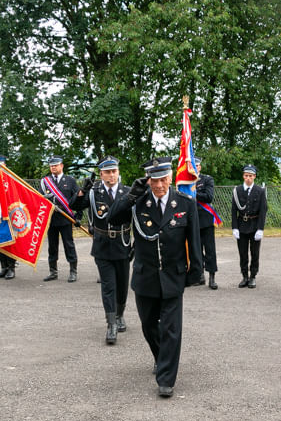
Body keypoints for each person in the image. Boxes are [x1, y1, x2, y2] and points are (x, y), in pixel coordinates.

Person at [108, 156, 202, 397]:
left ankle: (166, 378)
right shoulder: (138, 202)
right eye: (154, 180)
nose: (159, 185)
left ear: (170, 178)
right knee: (149, 325)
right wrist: (131, 196)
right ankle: (162, 357)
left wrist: (196, 272)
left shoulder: (184, 203)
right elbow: (113, 218)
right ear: (148, 180)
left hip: (173, 276)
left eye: (163, 179)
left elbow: (194, 239)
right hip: (145, 277)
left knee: (171, 328)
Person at [72, 156, 132, 344]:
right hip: (103, 246)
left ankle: (120, 314)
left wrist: (137, 245)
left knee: (122, 285)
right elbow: (74, 205)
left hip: (122, 244)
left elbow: (137, 219)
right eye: (107, 172)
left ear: (118, 172)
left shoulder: (128, 192)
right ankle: (111, 323)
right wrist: (83, 189)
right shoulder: (93, 192)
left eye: (114, 171)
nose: (111, 175)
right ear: (101, 174)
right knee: (108, 286)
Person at [40, 155, 79, 282]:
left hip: (65, 218)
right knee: (52, 246)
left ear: (61, 166)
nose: (53, 167)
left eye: (55, 165)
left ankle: (73, 271)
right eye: (51, 166)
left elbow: (78, 199)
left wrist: (78, 216)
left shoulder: (70, 180)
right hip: (50, 219)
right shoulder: (45, 181)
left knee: (69, 245)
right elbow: (40, 199)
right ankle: (53, 272)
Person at [230, 164, 268, 288]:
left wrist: (260, 229)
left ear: (254, 177)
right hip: (241, 225)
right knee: (243, 253)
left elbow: (263, 211)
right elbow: (233, 210)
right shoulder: (238, 191)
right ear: (243, 176)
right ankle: (244, 276)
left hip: (255, 225)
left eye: (250, 176)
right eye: (246, 176)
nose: (248, 178)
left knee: (254, 253)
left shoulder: (260, 191)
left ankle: (253, 276)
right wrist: (234, 227)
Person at [195, 157, 219, 290]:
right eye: (192, 165)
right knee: (196, 249)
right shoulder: (184, 181)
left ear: (200, 167)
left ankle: (212, 277)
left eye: (197, 165)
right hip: (191, 219)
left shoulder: (207, 179)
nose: (195, 167)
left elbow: (209, 197)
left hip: (205, 218)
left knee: (210, 249)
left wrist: (193, 192)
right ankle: (199, 275)